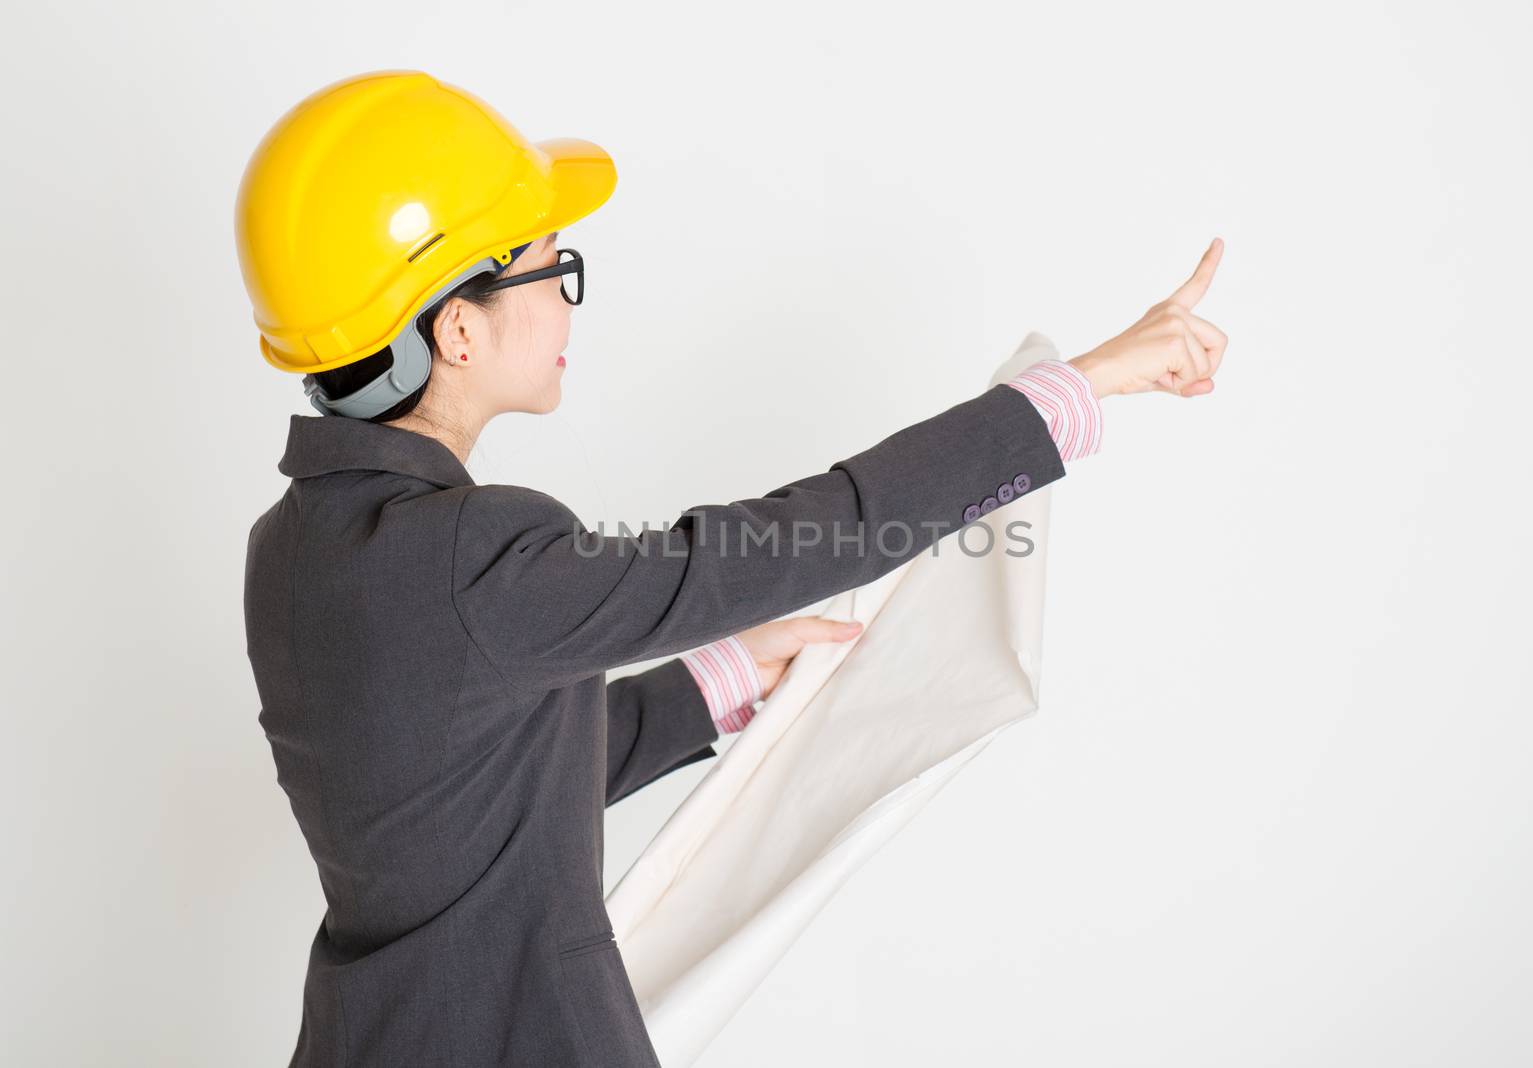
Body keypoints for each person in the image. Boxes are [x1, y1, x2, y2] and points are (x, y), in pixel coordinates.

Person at [236, 70, 1227, 1067]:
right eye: (554, 269)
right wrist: (1073, 392)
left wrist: (716, 683)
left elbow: (465, 797)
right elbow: (808, 530)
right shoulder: (473, 549)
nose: (570, 306)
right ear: (457, 327)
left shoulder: (291, 548)